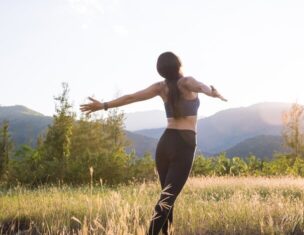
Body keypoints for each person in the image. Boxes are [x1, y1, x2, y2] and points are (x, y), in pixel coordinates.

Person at [80, 51, 227, 235]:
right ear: (178, 65)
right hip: (183, 146)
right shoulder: (186, 82)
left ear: (161, 71)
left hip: (165, 143)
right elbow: (201, 86)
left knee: (167, 199)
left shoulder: (160, 87)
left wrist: (104, 105)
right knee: (167, 200)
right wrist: (212, 93)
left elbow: (131, 97)